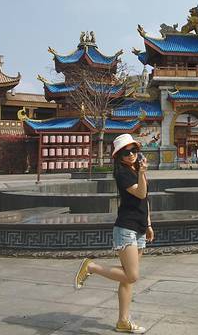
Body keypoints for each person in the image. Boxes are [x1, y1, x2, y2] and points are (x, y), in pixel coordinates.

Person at [74, 133, 154, 334]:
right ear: (119, 156)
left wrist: (149, 224)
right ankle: (91, 266)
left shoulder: (135, 169)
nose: (131, 155)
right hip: (126, 228)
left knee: (126, 279)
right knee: (132, 276)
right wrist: (142, 173)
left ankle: (123, 321)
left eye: (134, 150)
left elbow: (146, 200)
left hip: (140, 227)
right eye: (126, 153)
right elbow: (140, 192)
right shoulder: (122, 173)